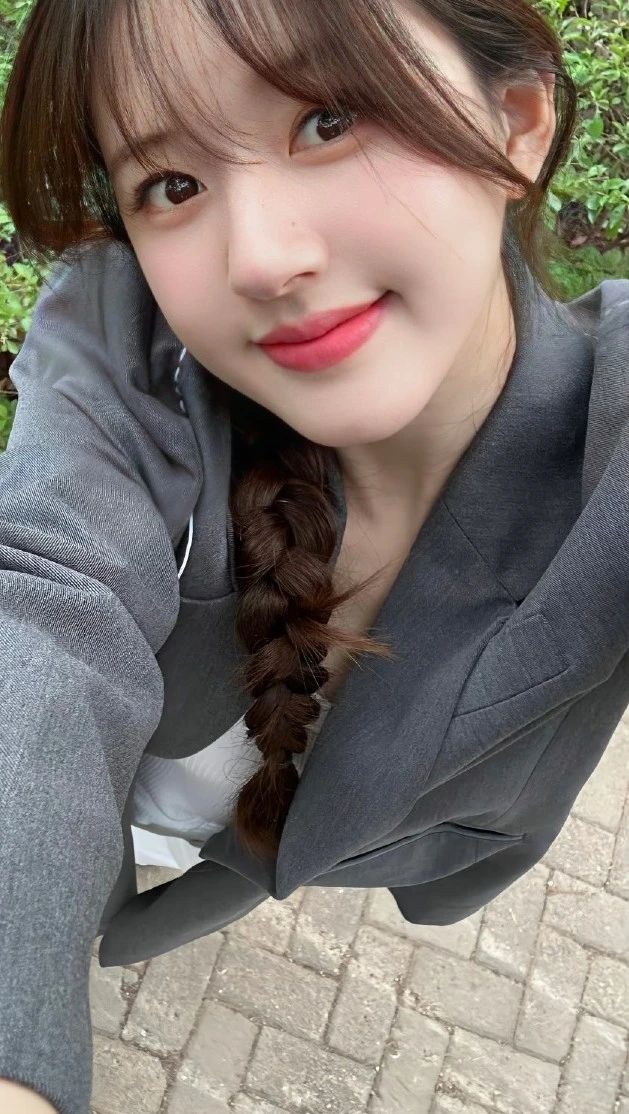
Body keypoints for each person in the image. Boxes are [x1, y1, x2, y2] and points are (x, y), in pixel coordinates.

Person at [0, 0, 627, 1111]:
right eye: (172, 185)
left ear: (518, 121)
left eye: (328, 120)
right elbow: (40, 608)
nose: (261, 259)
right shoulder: (127, 346)